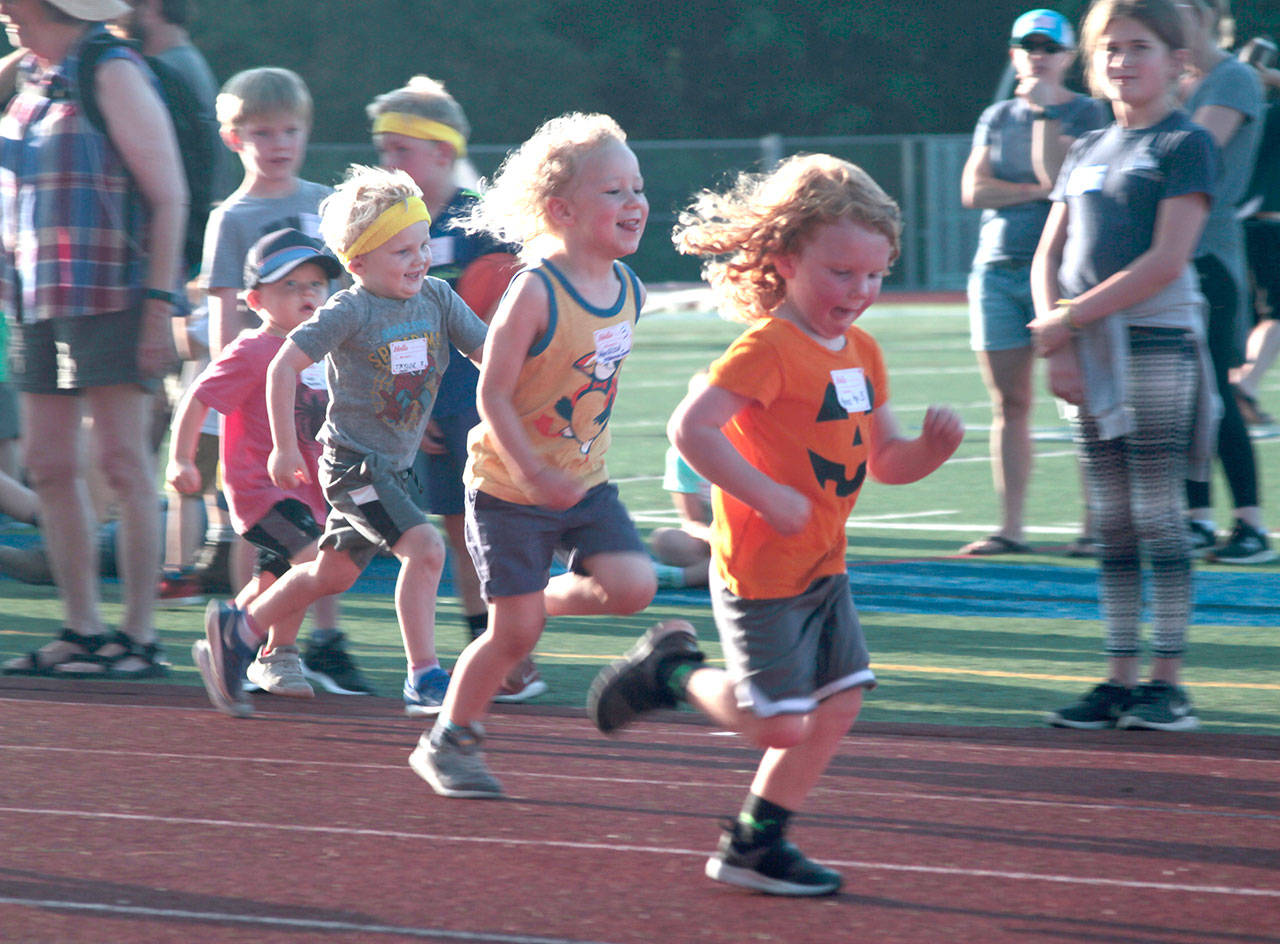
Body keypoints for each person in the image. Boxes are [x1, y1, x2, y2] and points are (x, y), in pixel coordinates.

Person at [586, 153, 962, 896]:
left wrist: (930, 450)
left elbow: (884, 459)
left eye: (874, 276)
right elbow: (691, 429)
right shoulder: (768, 349)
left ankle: (756, 841)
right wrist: (766, 494)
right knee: (777, 724)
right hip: (761, 571)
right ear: (787, 261)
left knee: (842, 699)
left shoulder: (862, 352)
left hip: (823, 565)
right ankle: (671, 672)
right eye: (840, 273)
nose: (858, 292)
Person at [409, 113, 657, 799]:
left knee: (634, 586)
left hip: (583, 483)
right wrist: (533, 470)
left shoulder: (630, 291)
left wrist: (565, 469)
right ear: (561, 210)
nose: (634, 202)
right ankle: (449, 740)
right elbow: (491, 394)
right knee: (512, 637)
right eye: (614, 191)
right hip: (509, 488)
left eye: (638, 187)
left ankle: (528, 599)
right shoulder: (536, 287)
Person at [193, 165, 488, 718]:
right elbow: (283, 368)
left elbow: (488, 352)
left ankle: (239, 630)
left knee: (334, 573)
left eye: (423, 245)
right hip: (353, 467)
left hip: (394, 467)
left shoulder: (439, 298)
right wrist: (283, 446)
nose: (419, 260)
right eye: (401, 251)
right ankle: (424, 676)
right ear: (357, 264)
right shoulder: (348, 310)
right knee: (425, 549)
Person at [1031, 0, 1219, 731]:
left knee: (1156, 513)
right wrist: (1055, 338)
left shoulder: (1185, 144)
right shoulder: (1086, 147)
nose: (1122, 61)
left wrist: (1067, 321)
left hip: (1153, 341)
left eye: (1139, 47)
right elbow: (1051, 253)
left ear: (1177, 61)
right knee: (1109, 521)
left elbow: (1166, 261)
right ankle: (1116, 678)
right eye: (1110, 48)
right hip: (1085, 347)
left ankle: (1165, 683)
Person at [0, 0, 184, 679]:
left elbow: (168, 195)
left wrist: (159, 307)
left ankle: (138, 637)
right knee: (48, 464)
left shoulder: (112, 69)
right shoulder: (34, 77)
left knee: (122, 465)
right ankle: (82, 630)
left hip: (113, 295)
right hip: (35, 303)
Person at [198, 66, 373, 692]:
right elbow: (225, 313)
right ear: (233, 138)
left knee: (324, 518)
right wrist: (229, 398)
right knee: (266, 523)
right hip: (260, 402)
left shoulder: (325, 202)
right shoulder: (232, 218)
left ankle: (314, 640)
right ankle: (253, 641)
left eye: (290, 130)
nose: (278, 143)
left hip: (324, 398)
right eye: (261, 131)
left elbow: (350, 296)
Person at [366, 76, 538, 700]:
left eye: (401, 149)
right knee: (457, 530)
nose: (389, 162)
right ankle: (482, 649)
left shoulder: (487, 222)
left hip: (490, 400)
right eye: (383, 150)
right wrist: (409, 404)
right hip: (431, 405)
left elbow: (526, 311)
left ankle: (515, 650)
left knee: (507, 529)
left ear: (442, 152)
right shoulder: (385, 229)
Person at [168, 229, 344, 698]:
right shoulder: (253, 349)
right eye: (290, 285)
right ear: (255, 299)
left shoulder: (322, 349)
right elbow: (198, 397)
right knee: (313, 561)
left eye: (315, 284)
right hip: (263, 491)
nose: (307, 293)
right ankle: (276, 654)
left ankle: (232, 637)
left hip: (310, 493)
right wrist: (180, 458)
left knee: (277, 581)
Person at [960, 8, 1110, 557]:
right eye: (1029, 45)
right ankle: (1011, 527)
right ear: (1014, 53)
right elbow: (974, 190)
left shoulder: (1091, 111)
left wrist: (1046, 116)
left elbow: (1058, 181)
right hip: (997, 270)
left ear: (1070, 57)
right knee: (1010, 404)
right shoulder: (997, 115)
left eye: (1049, 46)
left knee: (1081, 399)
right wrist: (1031, 192)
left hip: (1063, 273)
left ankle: (1096, 525)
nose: (1038, 54)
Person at [1177, 0, 1271, 564]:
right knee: (1182, 400)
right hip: (1168, 257)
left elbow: (1188, 151)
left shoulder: (1232, 76)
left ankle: (1251, 526)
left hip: (1209, 256)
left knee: (1215, 394)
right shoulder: (1177, 78)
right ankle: (1194, 518)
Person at [1232, 40, 1280, 425]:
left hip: (1236, 226)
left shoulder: (1238, 114)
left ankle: (1237, 391)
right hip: (1269, 224)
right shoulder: (1271, 113)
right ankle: (1244, 387)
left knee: (1245, 318)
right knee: (1275, 316)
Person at [649, 371, 713, 589]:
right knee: (666, 540)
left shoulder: (751, 443)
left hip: (752, 537)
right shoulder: (681, 456)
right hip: (715, 541)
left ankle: (682, 577)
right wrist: (712, 535)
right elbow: (692, 521)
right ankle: (719, 571)